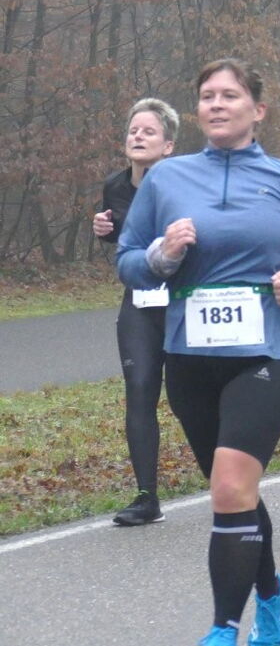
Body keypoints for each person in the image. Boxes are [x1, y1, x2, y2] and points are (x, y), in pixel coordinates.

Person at [117, 58, 280, 646]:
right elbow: (128, 261)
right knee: (235, 493)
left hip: (268, 352)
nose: (217, 104)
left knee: (228, 487)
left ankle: (223, 633)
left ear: (258, 110)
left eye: (229, 95)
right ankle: (272, 591)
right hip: (190, 356)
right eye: (207, 96)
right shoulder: (167, 179)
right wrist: (162, 255)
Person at [92, 98, 178, 526]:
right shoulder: (115, 185)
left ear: (168, 146)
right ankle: (147, 497)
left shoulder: (184, 184)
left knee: (187, 395)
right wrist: (104, 232)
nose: (138, 136)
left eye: (149, 131)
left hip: (183, 300)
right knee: (140, 388)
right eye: (133, 130)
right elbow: (125, 240)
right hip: (140, 300)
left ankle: (229, 478)